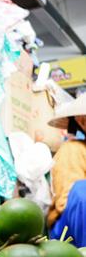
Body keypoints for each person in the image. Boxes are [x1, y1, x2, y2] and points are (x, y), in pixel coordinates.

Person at [47, 93, 86, 246]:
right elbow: (70, 201)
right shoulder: (73, 150)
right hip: (69, 235)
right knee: (81, 190)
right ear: (82, 121)